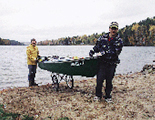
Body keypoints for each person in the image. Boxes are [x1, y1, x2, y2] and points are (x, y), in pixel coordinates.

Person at [89, 22, 123, 103]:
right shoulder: (103, 38)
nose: (113, 30)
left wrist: (103, 53)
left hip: (112, 63)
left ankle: (108, 96)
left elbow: (115, 52)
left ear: (117, 29)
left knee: (109, 80)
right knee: (99, 79)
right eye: (112, 28)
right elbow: (97, 47)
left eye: (115, 29)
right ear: (109, 29)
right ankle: (98, 95)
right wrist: (92, 52)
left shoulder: (119, 41)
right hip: (102, 63)